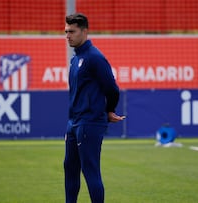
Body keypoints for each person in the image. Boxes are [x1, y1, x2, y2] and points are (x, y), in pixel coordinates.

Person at [64, 13, 125, 203]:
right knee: (69, 167)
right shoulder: (76, 59)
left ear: (84, 31)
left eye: (72, 31)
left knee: (90, 170)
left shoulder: (94, 58)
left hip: (90, 122)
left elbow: (112, 88)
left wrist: (109, 110)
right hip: (74, 122)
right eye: (66, 32)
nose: (68, 36)